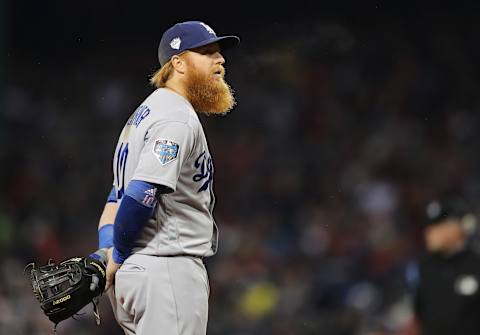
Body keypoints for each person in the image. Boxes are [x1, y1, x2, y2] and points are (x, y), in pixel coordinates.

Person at [95, 21, 240, 335]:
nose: (220, 60)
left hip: (139, 274)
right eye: (208, 52)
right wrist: (117, 255)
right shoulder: (175, 116)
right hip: (166, 270)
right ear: (178, 62)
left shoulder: (142, 116)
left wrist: (107, 251)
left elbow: (113, 199)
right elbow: (138, 195)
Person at [405, 195, 480, 335]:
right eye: (428, 226)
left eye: (437, 225)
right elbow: (417, 316)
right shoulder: (422, 267)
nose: (429, 232)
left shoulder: (476, 265)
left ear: (457, 227)